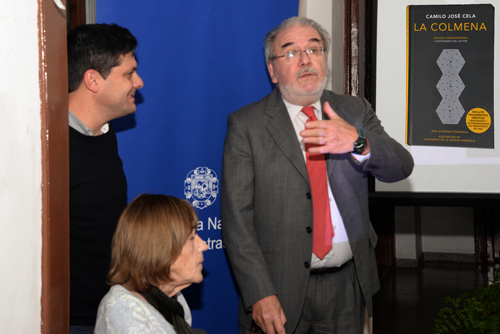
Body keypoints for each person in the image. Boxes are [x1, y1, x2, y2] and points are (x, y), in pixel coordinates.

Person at [221, 16, 414, 334]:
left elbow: (401, 167)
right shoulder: (247, 125)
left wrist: (357, 140)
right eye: (291, 52)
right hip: (277, 290)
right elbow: (237, 222)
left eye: (315, 49)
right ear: (273, 70)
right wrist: (259, 292)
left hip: (348, 288)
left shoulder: (354, 111)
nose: (306, 60)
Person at [68, 23, 144, 333]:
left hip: (111, 310)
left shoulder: (104, 133)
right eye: (128, 73)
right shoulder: (47, 152)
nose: (139, 82)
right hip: (72, 320)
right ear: (93, 80)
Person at [94, 194, 208, 334]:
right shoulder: (125, 313)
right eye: (191, 237)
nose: (203, 245)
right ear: (161, 250)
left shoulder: (172, 299)